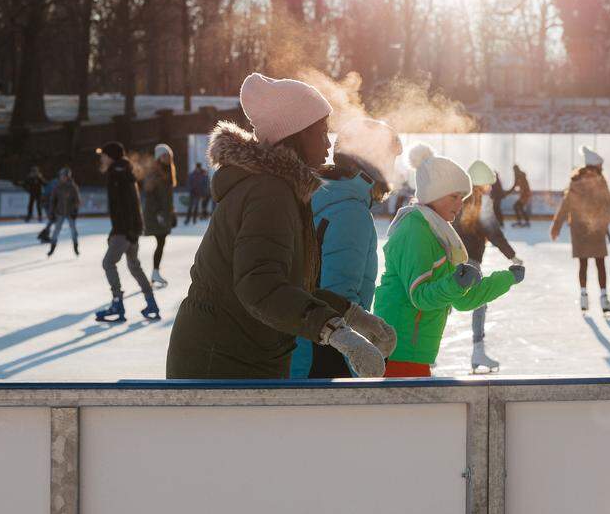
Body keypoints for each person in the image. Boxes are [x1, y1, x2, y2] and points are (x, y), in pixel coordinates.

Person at [167, 73, 391, 379]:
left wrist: (354, 317)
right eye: (321, 132)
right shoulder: (268, 192)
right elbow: (260, 285)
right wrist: (335, 331)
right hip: (221, 362)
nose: (328, 144)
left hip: (244, 354)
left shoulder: (283, 189)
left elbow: (293, 287)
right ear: (295, 134)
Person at [373, 144, 524, 378]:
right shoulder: (416, 230)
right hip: (398, 350)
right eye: (454, 196)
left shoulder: (438, 232)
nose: (460, 204)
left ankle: (478, 350)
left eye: (462, 197)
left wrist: (506, 279)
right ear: (434, 194)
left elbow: (463, 300)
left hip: (415, 352)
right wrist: (456, 283)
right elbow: (421, 296)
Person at [291, 118, 402, 379]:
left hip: (299, 351)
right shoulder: (350, 211)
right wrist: (360, 353)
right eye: (390, 161)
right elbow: (337, 297)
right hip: (323, 358)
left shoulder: (318, 195)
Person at [456, 160, 523, 373]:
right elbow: (493, 231)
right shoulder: (481, 201)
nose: (491, 189)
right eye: (489, 185)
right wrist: (512, 256)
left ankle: (428, 352)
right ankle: (478, 350)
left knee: (443, 302)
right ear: (481, 184)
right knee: (479, 302)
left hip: (452, 259)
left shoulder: (457, 199)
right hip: (471, 261)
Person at [95, 142, 159, 323]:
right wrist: (134, 229)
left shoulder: (116, 174)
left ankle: (117, 303)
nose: (102, 158)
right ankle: (151, 303)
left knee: (108, 263)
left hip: (125, 230)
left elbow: (123, 206)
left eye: (104, 155)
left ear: (111, 156)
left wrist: (122, 231)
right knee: (134, 266)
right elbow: (131, 203)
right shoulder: (125, 172)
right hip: (131, 228)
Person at [551, 147, 610, 313]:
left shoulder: (575, 183)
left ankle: (583, 298)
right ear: (595, 167)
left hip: (579, 230)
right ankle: (604, 299)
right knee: (600, 263)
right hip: (596, 229)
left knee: (583, 264)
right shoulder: (600, 182)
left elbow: (565, 206)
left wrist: (556, 226)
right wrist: (605, 221)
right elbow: (607, 204)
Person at [143, 143, 177, 289]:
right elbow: (150, 197)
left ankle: (155, 272)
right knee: (160, 242)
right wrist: (158, 214)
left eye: (169, 155)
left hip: (164, 213)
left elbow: (167, 198)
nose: (167, 158)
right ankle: (155, 272)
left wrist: (171, 212)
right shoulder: (155, 174)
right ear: (158, 157)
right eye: (164, 155)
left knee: (161, 243)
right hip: (156, 215)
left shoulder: (167, 172)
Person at [47, 167, 81, 257]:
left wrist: (75, 211)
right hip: (60, 212)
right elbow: (52, 200)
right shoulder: (57, 187)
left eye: (64, 176)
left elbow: (77, 200)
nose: (62, 178)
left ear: (68, 177)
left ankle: (75, 247)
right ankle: (52, 248)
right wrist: (51, 213)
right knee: (56, 230)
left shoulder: (73, 187)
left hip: (70, 213)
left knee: (74, 230)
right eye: (61, 176)